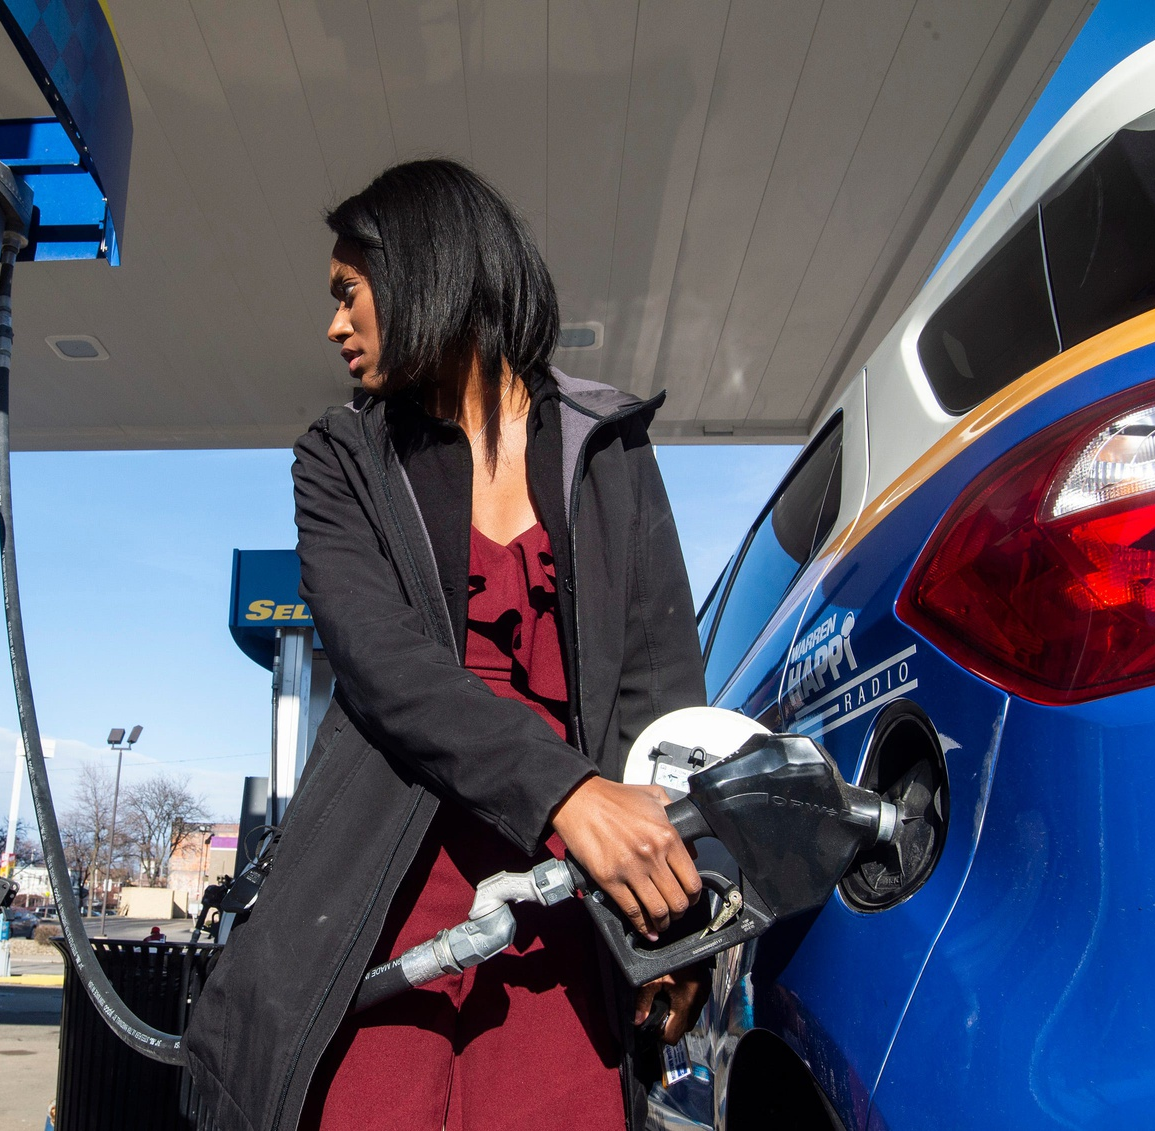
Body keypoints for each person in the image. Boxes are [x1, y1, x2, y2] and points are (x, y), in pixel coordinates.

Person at [185, 160, 708, 1131]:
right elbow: (386, 666)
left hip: (570, 912)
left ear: (423, 270)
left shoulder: (610, 449)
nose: (333, 325)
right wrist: (569, 794)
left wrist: (680, 920)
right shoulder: (340, 459)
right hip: (381, 907)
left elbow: (662, 702)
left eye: (348, 292)